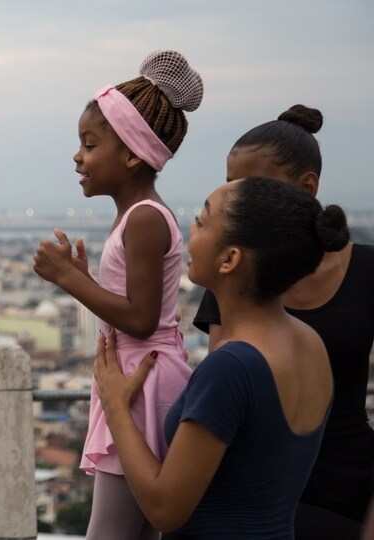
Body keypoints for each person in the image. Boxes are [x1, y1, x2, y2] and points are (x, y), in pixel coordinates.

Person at [96, 176, 347, 537]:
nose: (190, 233)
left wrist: (116, 405)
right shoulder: (310, 343)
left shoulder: (231, 368)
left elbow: (165, 509)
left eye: (201, 221)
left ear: (229, 259)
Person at [32, 50, 202, 539]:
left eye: (89, 144)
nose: (77, 156)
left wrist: (70, 279)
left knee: (109, 531)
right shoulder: (138, 213)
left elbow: (142, 318)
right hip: (137, 374)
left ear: (131, 154)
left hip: (140, 379)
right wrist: (89, 281)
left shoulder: (145, 217)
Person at [191, 105, 373, 537]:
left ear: (307, 187)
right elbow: (224, 397)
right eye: (233, 187)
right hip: (254, 489)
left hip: (344, 487)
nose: (239, 200)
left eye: (252, 187)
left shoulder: (367, 271)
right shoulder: (228, 273)